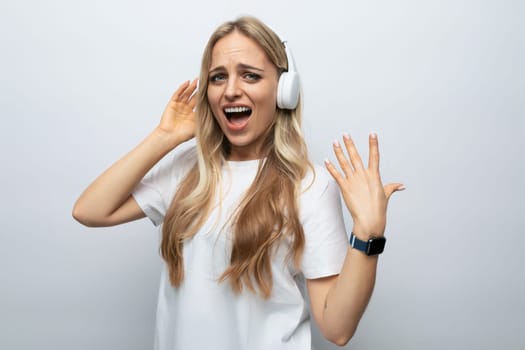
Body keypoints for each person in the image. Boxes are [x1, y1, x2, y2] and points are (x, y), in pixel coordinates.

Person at [73, 16, 403, 350]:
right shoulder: (187, 169)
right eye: (218, 77)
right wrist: (164, 137)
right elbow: (90, 211)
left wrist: (367, 234)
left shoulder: (310, 186)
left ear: (284, 89)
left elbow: (337, 329)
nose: (231, 90)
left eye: (250, 75)